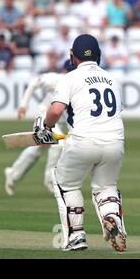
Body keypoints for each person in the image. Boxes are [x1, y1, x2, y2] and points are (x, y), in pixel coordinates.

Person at [35, 34, 127, 252]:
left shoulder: (69, 78)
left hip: (83, 141)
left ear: (73, 57)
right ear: (99, 55)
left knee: (65, 183)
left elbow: (56, 110)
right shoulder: (112, 79)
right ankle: (111, 215)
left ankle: (76, 236)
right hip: (115, 142)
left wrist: (45, 128)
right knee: (106, 187)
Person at [4, 68, 69, 196]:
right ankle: (50, 180)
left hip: (59, 123)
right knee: (59, 144)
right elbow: (34, 82)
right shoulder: (56, 79)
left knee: (38, 148)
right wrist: (23, 105)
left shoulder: (79, 84)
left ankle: (13, 174)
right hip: (45, 117)